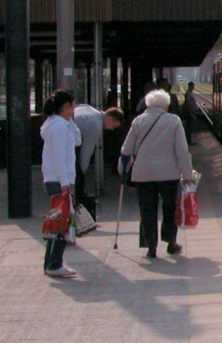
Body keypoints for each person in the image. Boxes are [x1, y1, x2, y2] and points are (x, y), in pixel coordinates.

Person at [120, 89, 193, 259]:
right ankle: (171, 242)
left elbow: (126, 149)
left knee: (147, 209)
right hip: (168, 173)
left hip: (143, 173)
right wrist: (187, 175)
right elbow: (182, 150)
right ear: (166, 106)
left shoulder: (138, 121)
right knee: (169, 207)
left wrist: (122, 170)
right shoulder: (174, 121)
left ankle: (150, 246)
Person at [40, 90, 81, 278]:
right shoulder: (58, 127)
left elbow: (77, 140)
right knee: (61, 223)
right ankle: (54, 263)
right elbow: (59, 157)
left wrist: (70, 121)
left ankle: (51, 262)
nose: (74, 108)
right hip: (59, 180)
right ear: (66, 106)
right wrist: (65, 183)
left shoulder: (58, 124)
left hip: (56, 179)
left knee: (57, 221)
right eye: (72, 105)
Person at [73, 104, 125, 215]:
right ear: (110, 119)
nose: (111, 129)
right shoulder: (96, 126)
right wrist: (81, 173)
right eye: (113, 126)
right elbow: (86, 151)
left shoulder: (89, 109)